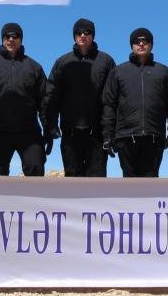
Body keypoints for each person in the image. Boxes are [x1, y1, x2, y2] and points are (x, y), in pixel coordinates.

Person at [0, 23, 50, 177]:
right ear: (2, 39)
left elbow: (44, 104)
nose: (11, 39)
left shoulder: (34, 68)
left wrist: (48, 130)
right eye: (7, 36)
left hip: (29, 132)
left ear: (21, 39)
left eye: (15, 36)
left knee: (36, 173)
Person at [101, 28, 168, 177]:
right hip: (125, 138)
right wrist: (107, 135)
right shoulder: (118, 72)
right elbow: (109, 104)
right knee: (129, 184)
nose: (141, 44)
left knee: (150, 183)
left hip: (154, 138)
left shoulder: (164, 72)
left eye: (145, 41)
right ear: (131, 45)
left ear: (151, 45)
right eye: (136, 41)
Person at [44, 18, 116, 177]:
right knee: (73, 181)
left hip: (97, 134)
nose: (82, 35)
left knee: (96, 182)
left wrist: (110, 132)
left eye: (87, 32)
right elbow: (51, 96)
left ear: (93, 35)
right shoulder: (63, 62)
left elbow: (112, 99)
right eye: (79, 32)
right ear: (74, 35)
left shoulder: (106, 61)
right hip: (70, 134)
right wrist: (51, 125)